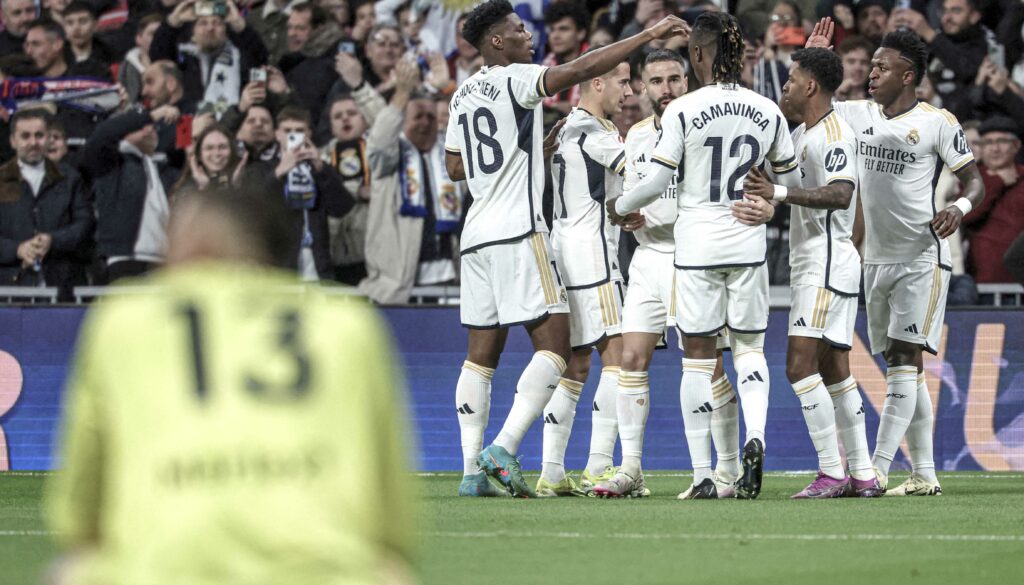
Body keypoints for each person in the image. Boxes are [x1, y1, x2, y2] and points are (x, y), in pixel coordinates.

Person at [45, 185, 414, 585]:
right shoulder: (348, 324)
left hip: (169, 573)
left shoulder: (124, 320)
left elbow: (76, 513)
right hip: (322, 572)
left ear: (192, 243)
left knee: (72, 570)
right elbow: (393, 519)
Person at [444, 0, 690, 498]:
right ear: (496, 41)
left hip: (475, 236)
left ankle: (473, 471)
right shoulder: (515, 78)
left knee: (479, 359)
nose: (527, 34)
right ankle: (506, 448)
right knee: (559, 351)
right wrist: (646, 36)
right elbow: (578, 69)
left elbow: (454, 167)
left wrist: (529, 153)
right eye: (517, 29)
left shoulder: (461, 95)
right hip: (520, 231)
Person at [609, 10, 798, 500]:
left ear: (696, 54)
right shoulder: (768, 109)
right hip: (747, 242)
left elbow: (653, 181)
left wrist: (619, 205)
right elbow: (792, 182)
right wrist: (769, 201)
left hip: (696, 248)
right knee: (750, 350)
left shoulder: (684, 110)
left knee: (698, 360)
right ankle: (755, 436)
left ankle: (702, 476)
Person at [818, 25, 986, 495]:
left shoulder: (938, 122)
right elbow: (807, 109)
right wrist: (814, 60)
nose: (870, 73)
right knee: (902, 367)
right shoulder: (854, 114)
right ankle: (925, 474)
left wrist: (958, 207)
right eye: (870, 65)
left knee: (904, 358)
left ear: (907, 76)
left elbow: (975, 182)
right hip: (874, 260)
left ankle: (877, 470)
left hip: (921, 257)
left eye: (881, 67)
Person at [742, 47, 882, 498]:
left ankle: (831, 471)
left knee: (799, 367)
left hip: (823, 264)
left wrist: (779, 192)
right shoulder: (806, 133)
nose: (784, 88)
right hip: (826, 261)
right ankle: (862, 474)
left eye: (790, 80)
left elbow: (842, 194)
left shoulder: (834, 133)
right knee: (835, 371)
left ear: (810, 86)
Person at [536, 57, 634, 498]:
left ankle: (552, 470)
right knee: (617, 356)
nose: (628, 93)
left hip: (563, 248)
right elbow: (641, 170)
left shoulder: (565, 128)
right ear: (596, 82)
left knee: (575, 363)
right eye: (623, 82)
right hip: (594, 255)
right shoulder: (595, 133)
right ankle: (598, 465)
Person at [360, 58, 462, 303]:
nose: (425, 122)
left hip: (454, 279)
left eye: (430, 117)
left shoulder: (452, 157)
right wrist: (400, 96)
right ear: (402, 121)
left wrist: (449, 88)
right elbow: (379, 144)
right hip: (397, 284)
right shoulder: (390, 160)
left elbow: (482, 126)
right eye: (417, 116)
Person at [241, 105, 354, 281]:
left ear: (309, 133)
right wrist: (279, 172)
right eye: (287, 130)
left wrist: (320, 168)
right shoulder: (261, 169)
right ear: (277, 134)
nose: (293, 135)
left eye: (300, 130)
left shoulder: (319, 168)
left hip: (317, 263)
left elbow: (342, 208)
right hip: (279, 267)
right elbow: (251, 208)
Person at [77, 105, 182, 281]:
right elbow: (100, 137)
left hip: (164, 263)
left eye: (152, 127)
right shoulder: (111, 163)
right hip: (125, 260)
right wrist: (149, 115)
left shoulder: (163, 168)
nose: (149, 129)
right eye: (140, 127)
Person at [0, 108, 92, 299]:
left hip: (63, 287)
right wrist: (17, 249)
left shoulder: (70, 178)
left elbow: (85, 225)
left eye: (39, 135)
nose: (33, 142)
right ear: (12, 141)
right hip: (10, 291)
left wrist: (54, 240)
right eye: (25, 136)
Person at [149, 0, 269, 115]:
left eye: (217, 23)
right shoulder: (182, 58)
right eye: (203, 23)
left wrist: (239, 24)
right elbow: (157, 56)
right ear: (193, 35)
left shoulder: (239, 58)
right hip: (187, 122)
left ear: (226, 32)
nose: (210, 28)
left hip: (231, 123)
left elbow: (261, 58)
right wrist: (174, 20)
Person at [962, 116, 1024, 284]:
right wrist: (997, 182)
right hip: (984, 285)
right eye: (988, 142)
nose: (995, 149)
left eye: (1002, 141)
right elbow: (966, 216)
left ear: (1016, 146)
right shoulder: (969, 179)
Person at [171, 123, 246, 197]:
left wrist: (237, 187)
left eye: (223, 147)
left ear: (232, 151)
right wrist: (203, 189)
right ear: (199, 155)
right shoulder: (186, 190)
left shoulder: (247, 179)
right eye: (209, 148)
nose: (217, 153)